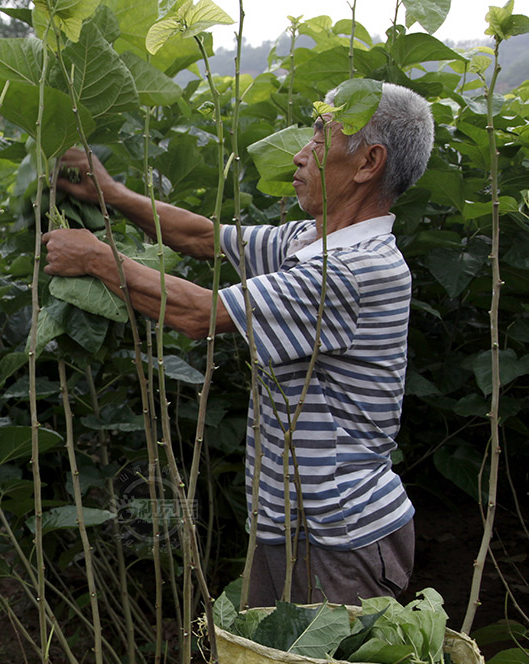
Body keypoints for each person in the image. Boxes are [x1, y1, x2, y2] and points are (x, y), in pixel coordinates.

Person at [42, 82, 434, 608]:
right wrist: (111, 195)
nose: (300, 154)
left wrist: (94, 258)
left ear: (368, 163)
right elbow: (207, 238)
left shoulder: (354, 269)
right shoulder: (308, 240)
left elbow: (198, 314)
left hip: (339, 535)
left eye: (319, 139)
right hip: (286, 524)